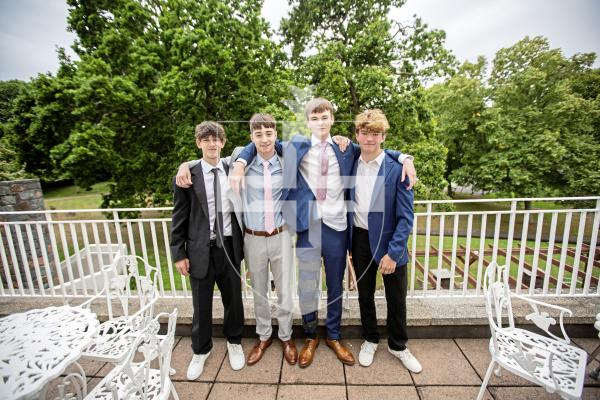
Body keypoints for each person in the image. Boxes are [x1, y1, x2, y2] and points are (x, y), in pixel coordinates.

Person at [231, 98, 416, 367]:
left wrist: (405, 158)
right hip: (308, 227)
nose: (320, 122)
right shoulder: (296, 146)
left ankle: (333, 335)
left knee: (335, 286)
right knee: (307, 287)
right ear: (308, 122)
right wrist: (238, 163)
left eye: (325, 117)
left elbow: (376, 149)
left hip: (338, 228)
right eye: (314, 118)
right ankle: (309, 337)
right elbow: (260, 143)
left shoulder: (346, 148)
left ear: (332, 119)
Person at [170, 121, 245, 381]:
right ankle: (200, 351)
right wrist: (179, 253)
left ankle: (234, 342)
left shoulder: (232, 168)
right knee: (200, 305)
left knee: (233, 300)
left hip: (229, 247)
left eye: (216, 139)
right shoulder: (187, 175)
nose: (212, 143)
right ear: (198, 143)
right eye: (206, 139)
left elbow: (255, 147)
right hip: (200, 249)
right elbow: (178, 217)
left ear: (222, 143)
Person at [348, 109, 421, 372]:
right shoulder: (352, 159)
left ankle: (398, 345)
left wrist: (394, 252)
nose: (369, 138)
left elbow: (406, 216)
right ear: (357, 135)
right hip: (359, 238)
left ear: (383, 136)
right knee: (365, 295)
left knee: (396, 298)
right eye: (364, 133)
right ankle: (370, 338)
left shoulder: (397, 168)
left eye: (375, 133)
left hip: (391, 242)